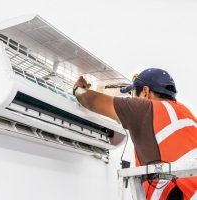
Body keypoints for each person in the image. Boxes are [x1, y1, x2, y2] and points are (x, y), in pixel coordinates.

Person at [73, 68, 197, 200]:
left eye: (133, 94)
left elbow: (91, 101)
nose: (132, 99)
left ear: (145, 92)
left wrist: (78, 89)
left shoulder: (144, 108)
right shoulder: (185, 113)